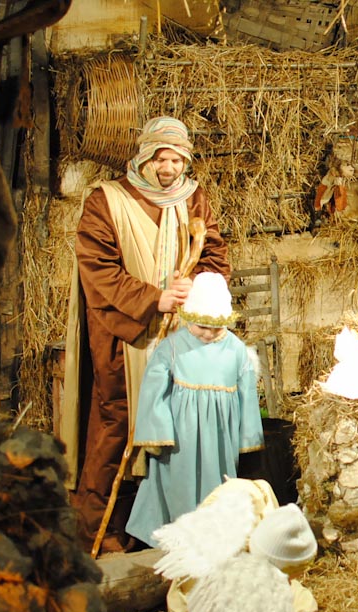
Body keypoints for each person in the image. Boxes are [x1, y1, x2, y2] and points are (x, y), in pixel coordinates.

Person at [61, 116, 231, 554]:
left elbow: (214, 257)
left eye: (177, 160)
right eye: (160, 159)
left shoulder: (193, 199)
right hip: (124, 333)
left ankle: (165, 530)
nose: (169, 168)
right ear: (143, 157)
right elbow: (97, 267)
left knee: (176, 428)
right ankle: (101, 532)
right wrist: (154, 298)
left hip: (179, 334)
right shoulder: (107, 200)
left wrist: (195, 287)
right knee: (118, 423)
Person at [152, 479, 356, 612]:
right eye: (286, 576)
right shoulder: (231, 571)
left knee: (302, 600)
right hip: (198, 605)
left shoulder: (258, 500)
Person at [125, 272, 264, 547]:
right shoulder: (172, 347)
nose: (209, 334)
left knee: (219, 485)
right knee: (179, 485)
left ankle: (214, 537)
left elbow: (247, 394)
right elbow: (154, 390)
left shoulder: (236, 350)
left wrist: (247, 436)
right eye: (202, 326)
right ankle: (180, 536)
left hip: (220, 438)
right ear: (189, 317)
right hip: (181, 438)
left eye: (217, 328)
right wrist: (159, 433)